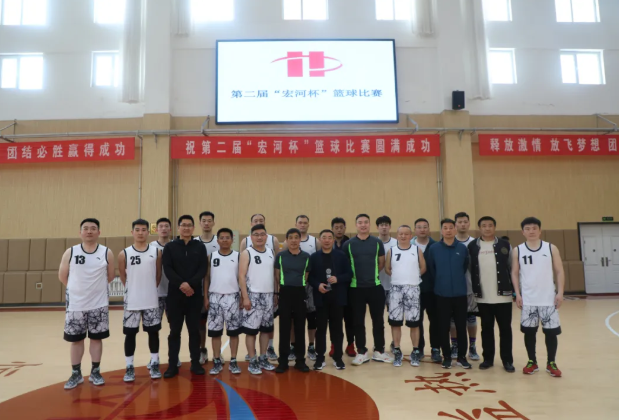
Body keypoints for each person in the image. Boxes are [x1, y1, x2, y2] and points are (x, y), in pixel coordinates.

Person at [58, 218, 115, 390]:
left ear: (99, 232)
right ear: (80, 232)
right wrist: (77, 291)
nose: (89, 231)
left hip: (99, 305)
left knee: (96, 339)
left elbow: (110, 276)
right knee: (76, 340)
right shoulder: (71, 252)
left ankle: (95, 372)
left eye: (93, 228)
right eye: (86, 228)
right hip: (76, 305)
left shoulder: (106, 252)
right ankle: (76, 374)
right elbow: (62, 276)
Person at [512, 217, 564, 378]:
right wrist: (517, 293)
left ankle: (551, 363)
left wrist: (560, 292)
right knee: (529, 333)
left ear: (540, 230)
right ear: (522, 232)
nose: (531, 231)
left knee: (551, 333)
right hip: (528, 300)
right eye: (527, 229)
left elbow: (559, 271)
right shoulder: (518, 250)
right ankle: (532, 361)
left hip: (548, 299)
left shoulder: (551, 248)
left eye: (534, 228)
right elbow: (514, 273)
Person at [162, 215, 209, 378]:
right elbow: (167, 268)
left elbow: (203, 269)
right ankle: (172, 365)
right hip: (175, 296)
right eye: (183, 225)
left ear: (193, 228)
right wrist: (182, 284)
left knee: (194, 331)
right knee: (174, 331)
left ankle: (195, 363)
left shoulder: (200, 247)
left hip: (194, 296)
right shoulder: (170, 247)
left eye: (189, 225)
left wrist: (190, 285)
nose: (186, 228)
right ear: (178, 227)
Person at [344, 214, 392, 366]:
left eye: (366, 222)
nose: (363, 225)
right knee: (358, 322)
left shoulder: (377, 242)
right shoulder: (348, 244)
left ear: (369, 225)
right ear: (356, 225)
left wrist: (371, 276)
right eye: (360, 222)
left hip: (375, 287)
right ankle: (362, 352)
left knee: (378, 321)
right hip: (355, 289)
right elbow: (345, 265)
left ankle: (379, 350)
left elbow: (381, 262)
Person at [468, 216, 515, 373]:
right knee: (486, 329)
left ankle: (507, 360)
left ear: (494, 227)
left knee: (505, 329)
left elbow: (512, 268)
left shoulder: (505, 245)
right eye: (484, 225)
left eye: (490, 225)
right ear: (479, 228)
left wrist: (516, 291)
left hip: (503, 296)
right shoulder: (473, 246)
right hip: (483, 297)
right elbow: (470, 268)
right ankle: (488, 359)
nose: (487, 228)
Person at [118, 219, 162, 382]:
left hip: (151, 300)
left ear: (148, 232)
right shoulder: (124, 253)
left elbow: (158, 275)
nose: (140, 232)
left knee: (153, 333)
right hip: (132, 301)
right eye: (137, 230)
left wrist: (148, 289)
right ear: (132, 232)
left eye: (144, 230)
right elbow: (123, 276)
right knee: (130, 335)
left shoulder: (156, 252)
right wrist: (134, 289)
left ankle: (155, 363)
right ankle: (129, 366)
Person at [428, 218, 471, 370]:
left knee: (461, 326)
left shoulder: (462, 248)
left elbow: (464, 267)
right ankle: (446, 356)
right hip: (441, 294)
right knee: (443, 327)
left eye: (450, 227)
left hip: (460, 294)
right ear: (441, 230)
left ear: (455, 229)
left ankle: (461, 357)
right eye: (445, 228)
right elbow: (432, 269)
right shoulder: (434, 248)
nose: (448, 230)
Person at [308, 229, 353, 370]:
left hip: (337, 298)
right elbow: (309, 277)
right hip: (321, 298)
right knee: (321, 329)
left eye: (329, 237)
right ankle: (320, 358)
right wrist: (317, 285)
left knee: (337, 329)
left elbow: (349, 274)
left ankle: (338, 357)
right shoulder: (314, 257)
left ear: (333, 240)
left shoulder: (341, 256)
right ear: (320, 240)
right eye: (324, 237)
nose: (327, 240)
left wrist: (338, 278)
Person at [240, 213, 280, 361]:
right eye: (256, 235)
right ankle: (252, 359)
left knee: (265, 330)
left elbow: (275, 275)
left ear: (266, 236)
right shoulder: (247, 253)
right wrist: (245, 297)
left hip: (268, 296)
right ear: (251, 237)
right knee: (251, 331)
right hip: (253, 296)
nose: (259, 237)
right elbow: (241, 276)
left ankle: (263, 358)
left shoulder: (271, 252)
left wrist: (276, 293)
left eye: (262, 234)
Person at [386, 225, 426, 367]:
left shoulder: (416, 250)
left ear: (410, 236)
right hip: (396, 289)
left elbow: (423, 267)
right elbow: (387, 269)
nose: (403, 236)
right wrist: (399, 278)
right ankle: (397, 350)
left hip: (413, 289)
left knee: (414, 323)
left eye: (406, 234)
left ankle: (415, 351)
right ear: (397, 235)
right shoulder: (391, 251)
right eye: (400, 234)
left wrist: (412, 277)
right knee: (395, 322)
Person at [204, 228, 242, 375]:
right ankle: (216, 361)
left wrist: (242, 296)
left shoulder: (238, 256)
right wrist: (206, 297)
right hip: (215, 297)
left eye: (227, 237)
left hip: (233, 297)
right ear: (217, 240)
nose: (225, 240)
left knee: (233, 332)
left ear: (232, 240)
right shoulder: (211, 256)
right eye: (222, 238)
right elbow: (207, 278)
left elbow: (242, 278)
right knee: (215, 333)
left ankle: (233, 360)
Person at [283, 215, 321, 361]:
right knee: (293, 319)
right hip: (293, 286)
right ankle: (293, 346)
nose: (303, 225)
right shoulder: (287, 243)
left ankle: (311, 346)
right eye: (300, 222)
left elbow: (317, 261)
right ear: (296, 224)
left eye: (305, 223)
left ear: (308, 224)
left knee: (311, 318)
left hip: (310, 285)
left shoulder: (315, 241)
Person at [275, 228, 312, 373]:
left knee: (299, 328)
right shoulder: (281, 256)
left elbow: (306, 276)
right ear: (286, 240)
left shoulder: (306, 257)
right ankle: (283, 361)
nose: (294, 240)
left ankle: (300, 360)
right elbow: (277, 276)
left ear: (300, 240)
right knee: (284, 328)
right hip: (285, 293)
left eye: (296, 237)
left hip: (300, 294)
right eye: (290, 237)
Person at [149, 218, 182, 369]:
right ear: (156, 229)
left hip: (173, 294)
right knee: (154, 328)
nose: (163, 228)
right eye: (160, 226)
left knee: (174, 328)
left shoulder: (176, 246)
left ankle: (174, 357)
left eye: (166, 226)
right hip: (155, 294)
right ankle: (154, 358)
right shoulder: (150, 247)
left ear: (170, 229)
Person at [410, 218, 441, 363]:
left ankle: (436, 349)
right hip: (414, 290)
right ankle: (419, 348)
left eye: (425, 227)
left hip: (433, 290)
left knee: (435, 321)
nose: (422, 229)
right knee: (417, 321)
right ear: (414, 230)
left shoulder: (436, 246)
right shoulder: (408, 246)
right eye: (419, 227)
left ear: (429, 229)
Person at [451, 212, 479, 361]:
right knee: (453, 320)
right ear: (455, 224)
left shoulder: (475, 243)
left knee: (471, 318)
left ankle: (472, 346)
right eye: (460, 222)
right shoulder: (449, 241)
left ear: (469, 223)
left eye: (465, 222)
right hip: (453, 289)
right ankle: (454, 345)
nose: (462, 224)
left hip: (470, 288)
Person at [195, 211, 220, 365]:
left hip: (218, 289)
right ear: (200, 223)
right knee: (201, 323)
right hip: (199, 289)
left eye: (209, 220)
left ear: (213, 223)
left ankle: (217, 353)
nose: (206, 223)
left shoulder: (220, 241)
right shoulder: (195, 242)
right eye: (203, 220)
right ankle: (202, 350)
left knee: (218, 323)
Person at [331, 217, 355, 358]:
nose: (339, 230)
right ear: (332, 229)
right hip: (333, 288)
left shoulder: (350, 243)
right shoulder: (328, 244)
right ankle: (334, 344)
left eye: (341, 227)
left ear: (345, 228)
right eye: (336, 227)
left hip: (349, 286)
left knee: (349, 318)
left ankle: (350, 344)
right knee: (335, 319)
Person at [376, 215, 397, 351]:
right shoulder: (373, 243)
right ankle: (379, 344)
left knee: (394, 318)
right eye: (381, 225)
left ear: (390, 227)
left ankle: (395, 343)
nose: (384, 227)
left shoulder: (396, 243)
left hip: (393, 286)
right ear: (377, 227)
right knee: (378, 318)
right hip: (377, 286)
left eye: (386, 225)